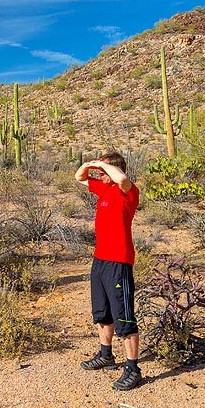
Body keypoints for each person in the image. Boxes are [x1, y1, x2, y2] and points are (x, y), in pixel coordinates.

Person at [74, 152, 142, 390]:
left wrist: (103, 166)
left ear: (114, 171)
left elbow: (122, 179)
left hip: (119, 262)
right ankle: (106, 355)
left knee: (123, 316)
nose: (99, 175)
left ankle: (133, 369)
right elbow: (79, 177)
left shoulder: (128, 192)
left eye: (103, 171)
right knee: (102, 313)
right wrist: (92, 164)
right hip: (100, 260)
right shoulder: (104, 190)